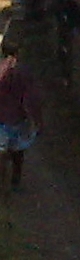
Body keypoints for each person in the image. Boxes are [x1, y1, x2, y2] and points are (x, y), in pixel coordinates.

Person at [0, 39, 35, 196]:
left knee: (2, 151)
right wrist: (37, 120)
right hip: (17, 118)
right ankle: (15, 181)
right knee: (18, 151)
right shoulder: (23, 72)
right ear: (17, 54)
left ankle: (2, 183)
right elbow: (30, 97)